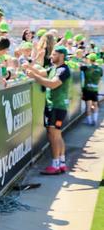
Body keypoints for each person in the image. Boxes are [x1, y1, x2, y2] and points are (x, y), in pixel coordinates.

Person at [24, 46, 72, 175]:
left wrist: (34, 76)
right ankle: (61, 163)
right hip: (54, 107)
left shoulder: (63, 70)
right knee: (57, 134)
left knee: (54, 135)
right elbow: (41, 73)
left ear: (61, 56)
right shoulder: (54, 68)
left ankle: (55, 164)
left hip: (56, 107)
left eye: (54, 54)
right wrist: (29, 66)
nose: (51, 57)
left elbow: (52, 84)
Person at [80, 53, 102, 126]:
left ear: (89, 59)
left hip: (87, 89)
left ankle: (89, 121)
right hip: (95, 89)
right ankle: (95, 120)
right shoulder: (99, 68)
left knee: (88, 106)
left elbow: (79, 67)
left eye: (87, 58)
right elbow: (100, 78)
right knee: (95, 105)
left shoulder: (86, 67)